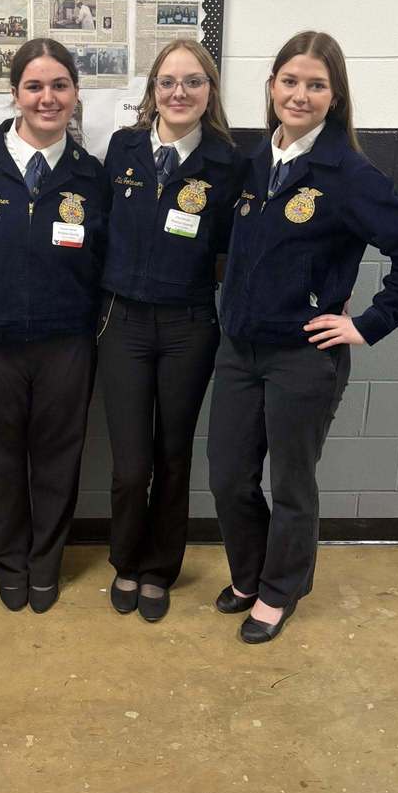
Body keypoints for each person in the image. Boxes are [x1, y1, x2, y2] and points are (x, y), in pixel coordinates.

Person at [207, 30, 398, 644]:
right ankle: (249, 573)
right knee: (229, 476)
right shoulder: (256, 162)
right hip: (239, 349)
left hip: (303, 358)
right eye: (290, 81)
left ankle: (279, 591)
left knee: (290, 482)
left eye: (316, 85)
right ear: (271, 87)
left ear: (335, 97)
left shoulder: (348, 173)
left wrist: (365, 324)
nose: (300, 94)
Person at [0, 38, 109, 613]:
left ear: (75, 93)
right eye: (34, 86)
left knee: (58, 460)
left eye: (60, 85)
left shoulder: (90, 176)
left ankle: (46, 564)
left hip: (66, 343)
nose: (48, 98)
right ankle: (9, 564)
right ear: (15, 93)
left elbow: (102, 260)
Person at [99, 39, 244, 622]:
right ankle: (126, 563)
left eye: (193, 82)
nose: (179, 92)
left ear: (209, 92)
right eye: (167, 81)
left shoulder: (227, 163)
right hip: (123, 324)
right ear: (152, 90)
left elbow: (233, 252)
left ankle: (160, 569)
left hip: (188, 325)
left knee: (173, 454)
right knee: (131, 463)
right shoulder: (123, 148)